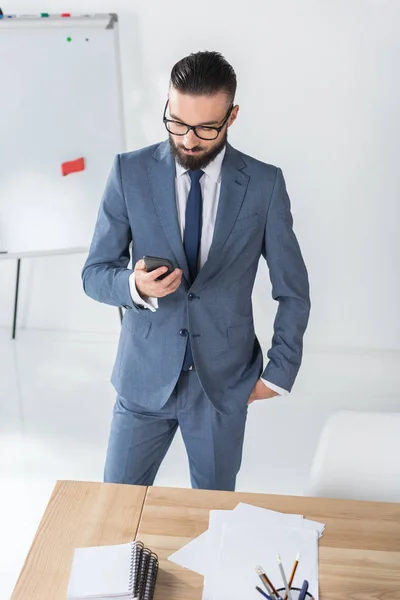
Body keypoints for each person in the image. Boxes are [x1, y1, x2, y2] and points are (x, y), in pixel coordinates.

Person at [82, 51, 310, 491]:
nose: (188, 139)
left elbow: (293, 290)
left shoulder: (264, 185)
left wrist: (278, 373)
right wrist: (134, 285)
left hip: (222, 387)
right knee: (116, 504)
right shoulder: (128, 172)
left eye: (206, 128)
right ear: (167, 105)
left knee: (214, 516)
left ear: (232, 116)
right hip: (143, 379)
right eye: (177, 122)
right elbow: (94, 272)